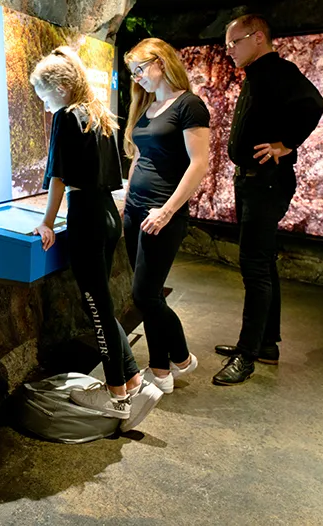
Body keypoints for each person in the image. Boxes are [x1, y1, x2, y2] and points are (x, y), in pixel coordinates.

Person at [30, 47, 162, 432]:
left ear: (61, 87)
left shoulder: (66, 117)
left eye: (44, 95)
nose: (44, 105)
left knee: (96, 307)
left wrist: (47, 222)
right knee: (102, 302)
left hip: (85, 215)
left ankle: (117, 394)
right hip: (107, 215)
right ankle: (134, 379)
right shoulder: (99, 114)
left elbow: (58, 178)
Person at [213, 15, 323, 385]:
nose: (229, 50)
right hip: (254, 183)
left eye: (234, 42)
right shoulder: (258, 74)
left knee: (255, 267)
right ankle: (266, 345)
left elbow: (313, 103)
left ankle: (248, 355)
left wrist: (286, 144)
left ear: (258, 37)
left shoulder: (276, 70)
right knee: (262, 264)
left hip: (267, 183)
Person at [123, 38, 210, 394]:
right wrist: (126, 198)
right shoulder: (148, 107)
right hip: (135, 210)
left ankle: (182, 356)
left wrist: (167, 210)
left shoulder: (189, 105)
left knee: (144, 296)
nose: (137, 77)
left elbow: (199, 164)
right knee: (151, 293)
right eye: (132, 72)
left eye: (140, 69)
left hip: (164, 211)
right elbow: (140, 159)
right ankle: (160, 371)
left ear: (161, 62)